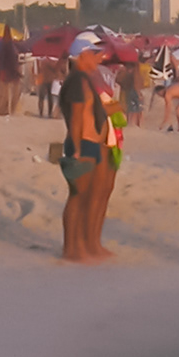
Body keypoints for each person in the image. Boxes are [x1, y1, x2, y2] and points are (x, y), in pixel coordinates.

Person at [59, 33, 114, 262]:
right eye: (95, 53)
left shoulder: (84, 79)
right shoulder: (77, 81)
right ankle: (71, 248)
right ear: (83, 55)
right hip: (82, 144)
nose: (100, 57)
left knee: (87, 196)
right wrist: (77, 149)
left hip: (91, 143)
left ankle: (82, 245)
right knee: (78, 197)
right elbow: (76, 117)